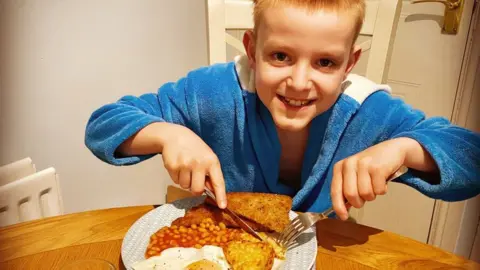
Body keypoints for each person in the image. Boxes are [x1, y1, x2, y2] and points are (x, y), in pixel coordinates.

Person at [84, 0, 480, 221]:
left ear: (350, 63)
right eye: (280, 56)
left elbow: (471, 158)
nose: (299, 82)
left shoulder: (367, 111)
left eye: (325, 62)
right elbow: (103, 124)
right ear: (252, 50)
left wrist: (405, 149)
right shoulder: (211, 92)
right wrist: (168, 134)